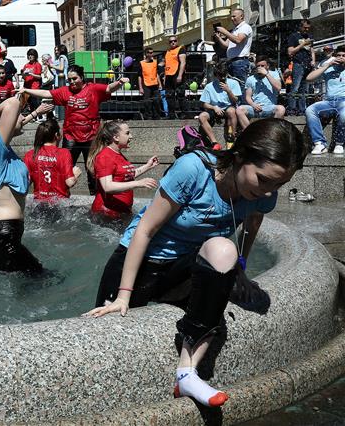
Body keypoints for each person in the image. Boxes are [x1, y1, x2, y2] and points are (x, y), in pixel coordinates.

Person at [86, 118, 308, 408]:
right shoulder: (194, 169)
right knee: (103, 338)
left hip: (186, 267)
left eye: (280, 184)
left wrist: (239, 268)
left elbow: (251, 225)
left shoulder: (264, 193)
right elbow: (145, 230)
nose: (269, 191)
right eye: (264, 179)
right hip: (141, 262)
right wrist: (124, 295)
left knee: (223, 250)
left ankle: (187, 372)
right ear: (239, 156)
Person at [0, 97, 54, 272]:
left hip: (0, 232)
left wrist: (35, 113)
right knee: (44, 281)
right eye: (17, 117)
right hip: (2, 235)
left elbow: (17, 121)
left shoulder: (3, 151)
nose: (21, 119)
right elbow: (12, 103)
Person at [24, 64, 128, 195]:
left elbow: (108, 88)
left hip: (91, 136)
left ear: (82, 77)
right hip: (71, 136)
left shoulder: (93, 89)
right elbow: (47, 93)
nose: (72, 82)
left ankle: (95, 195)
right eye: (70, 79)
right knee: (63, 166)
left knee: (92, 168)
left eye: (75, 78)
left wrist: (119, 82)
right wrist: (26, 90)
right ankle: (59, 193)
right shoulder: (65, 91)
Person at [86, 121, 159, 219]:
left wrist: (147, 166)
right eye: (127, 133)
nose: (131, 136)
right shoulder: (105, 156)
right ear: (116, 138)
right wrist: (138, 183)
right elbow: (108, 187)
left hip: (121, 212)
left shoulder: (118, 155)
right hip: (106, 214)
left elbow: (125, 177)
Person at [24, 119, 80, 202]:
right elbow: (70, 182)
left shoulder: (30, 154)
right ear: (56, 135)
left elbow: (25, 183)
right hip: (60, 203)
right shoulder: (64, 153)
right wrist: (75, 174)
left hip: (39, 203)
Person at [304, 45, 345, 155]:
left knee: (344, 114)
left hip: (344, 101)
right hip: (328, 101)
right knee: (310, 110)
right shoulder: (328, 67)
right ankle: (319, 143)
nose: (341, 57)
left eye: (344, 56)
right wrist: (327, 65)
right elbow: (309, 78)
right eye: (338, 55)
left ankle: (340, 144)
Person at [198, 65, 242, 150]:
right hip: (215, 108)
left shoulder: (233, 83)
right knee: (202, 116)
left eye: (224, 75)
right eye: (220, 76)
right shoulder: (209, 86)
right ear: (215, 76)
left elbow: (236, 101)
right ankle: (215, 142)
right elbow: (204, 104)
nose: (222, 78)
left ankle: (232, 136)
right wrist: (214, 107)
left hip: (229, 107)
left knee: (231, 111)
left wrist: (228, 91)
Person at [235, 56, 285, 129]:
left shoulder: (274, 74)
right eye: (258, 66)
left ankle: (273, 131)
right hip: (255, 108)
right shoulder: (251, 79)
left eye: (262, 66)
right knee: (239, 109)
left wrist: (267, 74)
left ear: (267, 66)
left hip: (269, 107)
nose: (260, 67)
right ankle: (249, 132)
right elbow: (248, 97)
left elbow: (278, 88)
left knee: (281, 109)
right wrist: (253, 104)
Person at [214, 9, 253, 83]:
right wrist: (218, 37)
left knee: (240, 85)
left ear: (241, 16)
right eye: (231, 17)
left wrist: (224, 32)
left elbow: (238, 40)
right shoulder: (235, 30)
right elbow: (226, 45)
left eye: (234, 16)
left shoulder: (245, 27)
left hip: (240, 61)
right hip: (231, 62)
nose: (232, 19)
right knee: (232, 86)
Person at [286, 19, 315, 115]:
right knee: (295, 87)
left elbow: (311, 50)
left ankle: (302, 110)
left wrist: (313, 60)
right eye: (305, 27)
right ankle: (292, 109)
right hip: (298, 63)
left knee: (305, 89)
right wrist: (302, 45)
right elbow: (290, 51)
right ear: (300, 26)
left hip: (308, 64)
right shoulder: (293, 36)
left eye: (308, 28)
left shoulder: (309, 36)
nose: (306, 30)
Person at [163, 35, 186, 118]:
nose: (173, 42)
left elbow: (183, 63)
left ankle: (183, 113)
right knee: (169, 96)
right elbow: (166, 65)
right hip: (169, 75)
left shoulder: (181, 49)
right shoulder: (167, 51)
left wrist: (180, 75)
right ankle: (171, 114)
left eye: (174, 41)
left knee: (180, 95)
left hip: (177, 74)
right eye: (171, 41)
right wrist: (165, 77)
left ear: (177, 41)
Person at [43, 44, 69, 120]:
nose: (56, 52)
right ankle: (60, 115)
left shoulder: (62, 57)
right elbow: (55, 73)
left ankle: (61, 116)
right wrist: (49, 66)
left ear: (61, 50)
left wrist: (51, 65)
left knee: (60, 99)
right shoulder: (59, 59)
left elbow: (61, 68)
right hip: (58, 81)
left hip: (61, 81)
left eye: (57, 50)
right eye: (55, 50)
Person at [138, 47, 163, 120]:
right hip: (146, 84)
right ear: (146, 54)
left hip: (155, 84)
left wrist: (160, 84)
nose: (152, 54)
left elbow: (157, 74)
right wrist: (140, 87)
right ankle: (148, 116)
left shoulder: (155, 62)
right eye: (150, 52)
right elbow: (139, 76)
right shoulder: (142, 63)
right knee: (147, 102)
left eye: (152, 52)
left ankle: (157, 116)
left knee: (157, 101)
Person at [21, 49, 43, 116]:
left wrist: (31, 74)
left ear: (35, 56)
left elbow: (39, 76)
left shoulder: (37, 64)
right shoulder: (26, 65)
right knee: (28, 103)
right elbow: (24, 78)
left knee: (35, 102)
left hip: (35, 87)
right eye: (29, 55)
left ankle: (39, 116)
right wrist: (24, 75)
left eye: (32, 55)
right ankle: (31, 116)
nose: (30, 56)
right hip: (27, 86)